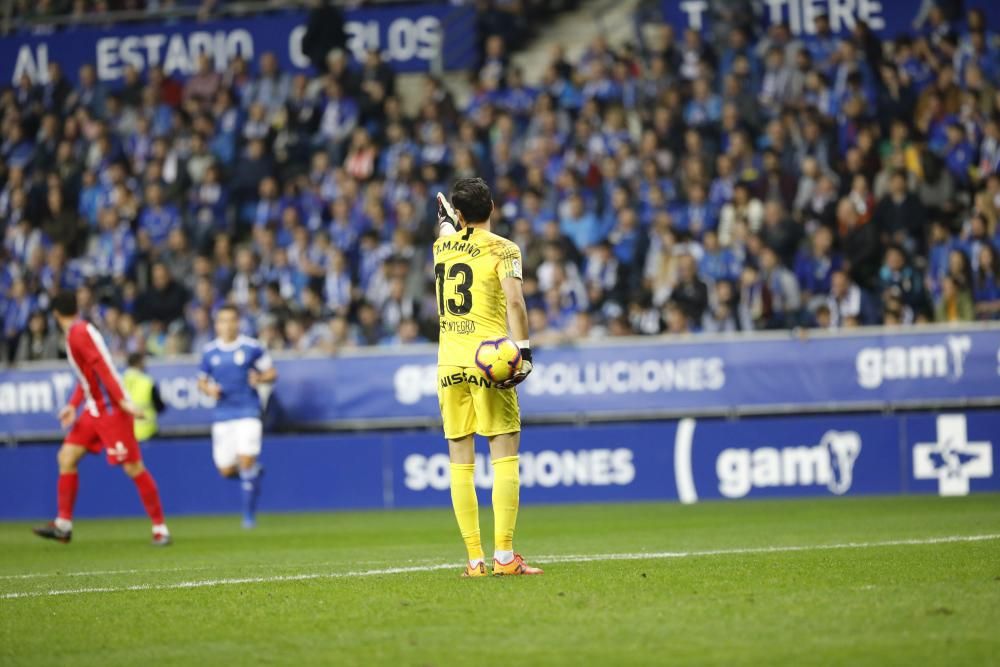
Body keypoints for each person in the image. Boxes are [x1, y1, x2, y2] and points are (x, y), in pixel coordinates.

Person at [433, 178, 542, 577]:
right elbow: (514, 300)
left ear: (459, 215)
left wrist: (446, 220)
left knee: (460, 462)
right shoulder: (505, 249)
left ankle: (475, 561)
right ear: (493, 206)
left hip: (449, 366)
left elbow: (447, 230)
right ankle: (505, 557)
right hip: (489, 363)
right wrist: (525, 351)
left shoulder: (441, 246)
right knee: (504, 455)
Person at [33, 291, 171, 546]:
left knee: (133, 467)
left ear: (54, 314)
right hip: (93, 409)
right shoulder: (79, 330)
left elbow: (101, 368)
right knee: (66, 457)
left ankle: (160, 528)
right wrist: (73, 405)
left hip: (110, 409)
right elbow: (87, 375)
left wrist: (122, 401)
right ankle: (63, 525)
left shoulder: (78, 334)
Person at [197, 305, 277, 529]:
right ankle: (253, 473)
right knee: (226, 470)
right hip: (223, 414)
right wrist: (209, 390)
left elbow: (272, 372)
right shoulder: (210, 352)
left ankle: (248, 517)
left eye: (232, 320)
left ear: (238, 323)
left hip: (248, 411)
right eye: (223, 320)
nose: (228, 325)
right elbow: (201, 380)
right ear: (217, 325)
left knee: (245, 460)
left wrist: (260, 378)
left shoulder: (251, 347)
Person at [123, 352, 166, 443]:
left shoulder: (120, 381)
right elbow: (160, 406)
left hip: (126, 433)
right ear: (139, 363)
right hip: (147, 432)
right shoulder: (148, 382)